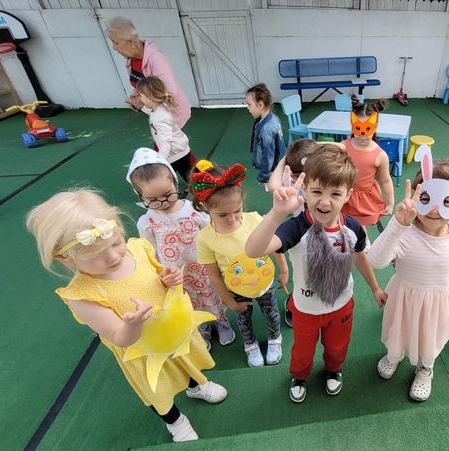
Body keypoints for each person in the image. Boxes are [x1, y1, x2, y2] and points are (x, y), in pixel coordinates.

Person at [26, 190, 227, 443]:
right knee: (157, 389)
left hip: (172, 330)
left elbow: (159, 278)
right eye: (96, 255)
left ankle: (196, 386)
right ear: (65, 260)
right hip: (142, 352)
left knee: (185, 361)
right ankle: (175, 420)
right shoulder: (82, 295)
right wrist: (133, 324)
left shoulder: (138, 249)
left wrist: (169, 280)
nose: (112, 257)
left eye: (115, 243)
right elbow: (120, 338)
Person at [245, 145, 387, 403]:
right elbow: (253, 251)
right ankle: (299, 376)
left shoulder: (353, 227)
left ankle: (334, 370)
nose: (324, 201)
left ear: (348, 195)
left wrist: (376, 288)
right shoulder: (296, 227)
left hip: (342, 306)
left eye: (335, 193)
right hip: (306, 309)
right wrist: (277, 214)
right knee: (302, 352)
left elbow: (360, 257)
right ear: (305, 189)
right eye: (317, 191)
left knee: (337, 348)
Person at [368, 147, 449, 402]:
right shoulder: (406, 233)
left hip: (438, 299)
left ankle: (426, 368)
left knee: (430, 337)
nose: (435, 209)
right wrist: (397, 225)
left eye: (446, 201)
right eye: (426, 198)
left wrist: (447, 288)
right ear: (416, 196)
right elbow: (375, 260)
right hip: (404, 295)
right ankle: (394, 355)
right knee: (398, 330)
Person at [126, 148, 234, 350]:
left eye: (167, 194)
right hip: (176, 277)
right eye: (152, 199)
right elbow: (150, 252)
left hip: (204, 268)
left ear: (176, 183)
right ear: (140, 195)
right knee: (188, 302)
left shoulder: (194, 209)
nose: (163, 202)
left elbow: (212, 235)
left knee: (212, 295)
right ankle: (202, 326)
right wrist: (160, 275)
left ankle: (220, 321)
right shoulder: (146, 222)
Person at [192, 161, 287, 367]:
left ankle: (274, 339)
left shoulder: (254, 219)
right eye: (222, 215)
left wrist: (284, 270)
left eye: (237, 210)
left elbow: (276, 244)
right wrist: (229, 302)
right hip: (235, 288)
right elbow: (214, 275)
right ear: (204, 208)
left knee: (271, 312)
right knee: (243, 319)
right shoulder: (204, 238)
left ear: (242, 201)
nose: (232, 218)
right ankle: (250, 345)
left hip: (264, 281)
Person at [266, 138, 318, 328]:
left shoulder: (322, 174)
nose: (301, 179)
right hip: (301, 233)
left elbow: (341, 148)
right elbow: (273, 186)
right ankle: (296, 304)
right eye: (297, 174)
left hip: (324, 230)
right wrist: (285, 160)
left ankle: (311, 299)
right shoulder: (292, 182)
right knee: (302, 273)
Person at [107, 17, 191, 129]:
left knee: (172, 145)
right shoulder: (131, 60)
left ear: (131, 42)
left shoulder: (156, 59)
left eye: (116, 42)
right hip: (159, 115)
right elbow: (140, 85)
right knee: (169, 145)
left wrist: (140, 101)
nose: (114, 48)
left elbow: (170, 92)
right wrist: (134, 98)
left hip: (174, 115)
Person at [339, 96, 394, 227]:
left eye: (367, 129)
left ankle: (362, 246)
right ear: (352, 125)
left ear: (375, 126)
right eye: (358, 128)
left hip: (364, 200)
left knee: (359, 229)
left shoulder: (380, 155)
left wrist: (391, 203)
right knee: (340, 226)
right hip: (342, 196)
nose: (362, 134)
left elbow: (386, 180)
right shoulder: (343, 147)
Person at [135, 77, 193, 182]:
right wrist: (139, 106)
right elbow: (152, 113)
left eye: (141, 96)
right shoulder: (159, 107)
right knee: (187, 175)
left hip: (175, 154)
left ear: (150, 98)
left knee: (166, 179)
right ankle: (194, 187)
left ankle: (196, 191)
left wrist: (159, 160)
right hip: (180, 150)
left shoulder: (160, 118)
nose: (139, 98)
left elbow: (166, 143)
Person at [246, 83, 285, 186]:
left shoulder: (266, 129)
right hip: (279, 165)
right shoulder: (273, 118)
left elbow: (268, 156)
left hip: (273, 170)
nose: (248, 108)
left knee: (276, 192)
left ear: (260, 105)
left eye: (249, 104)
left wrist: (264, 177)